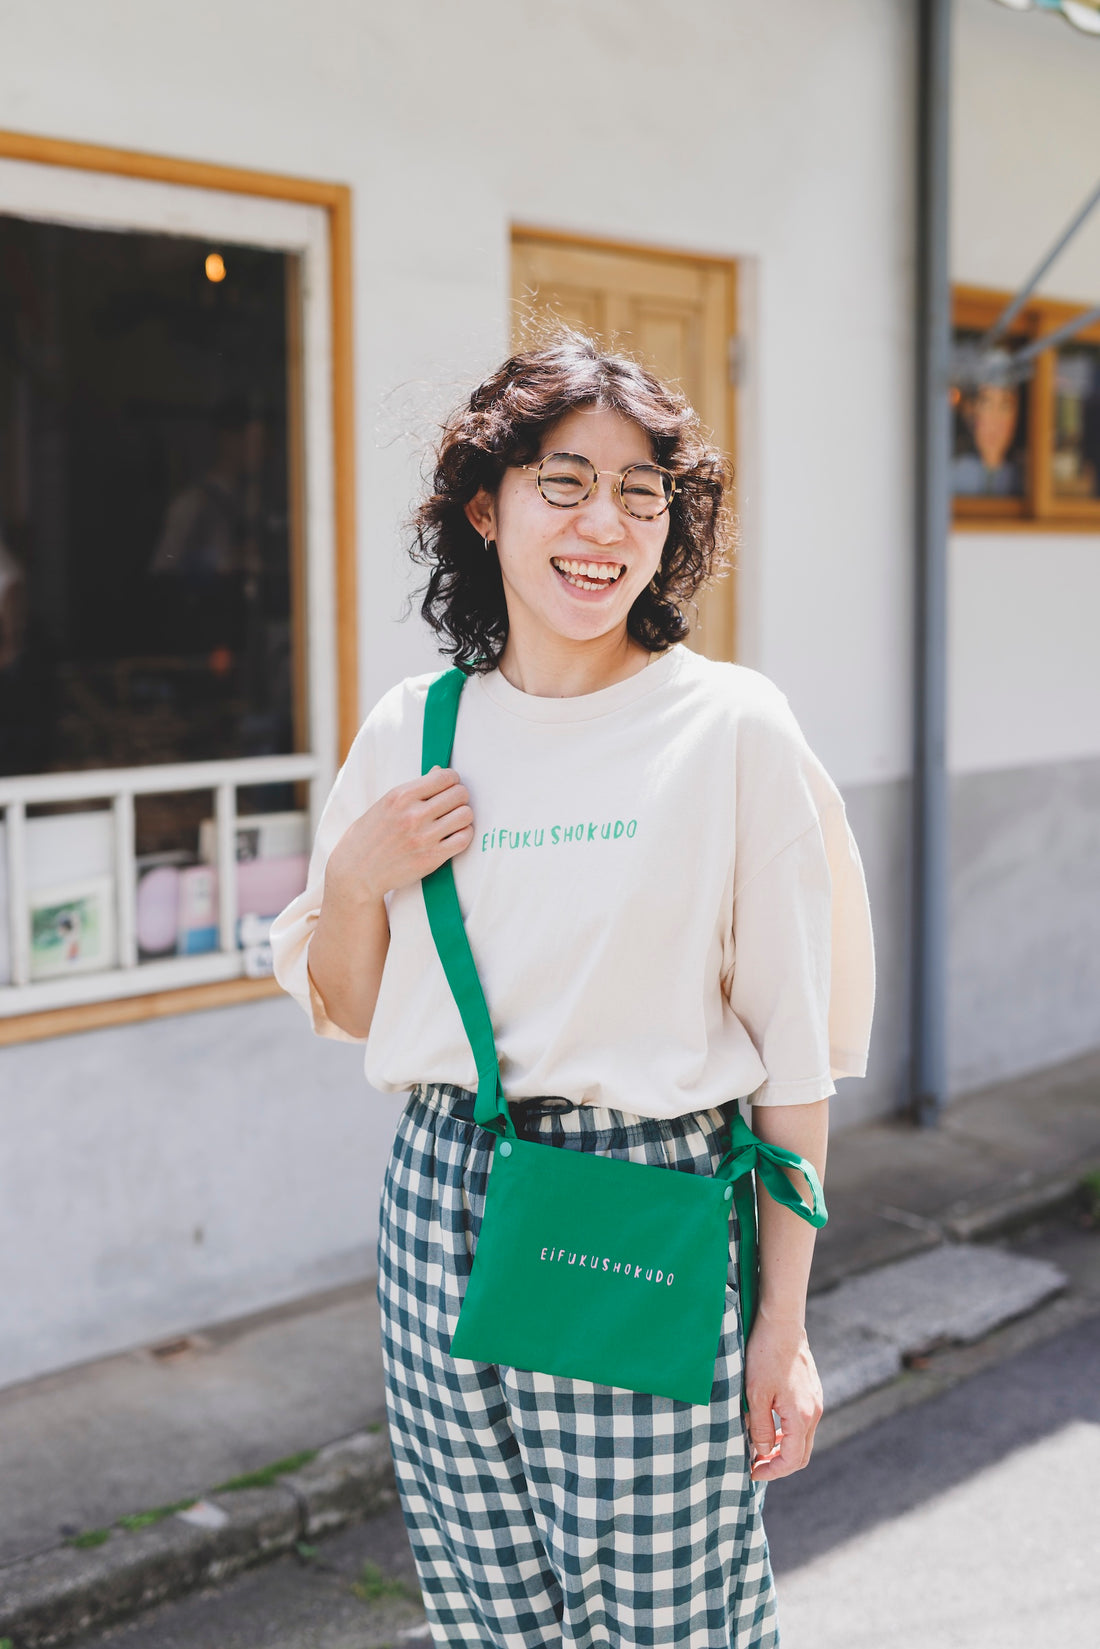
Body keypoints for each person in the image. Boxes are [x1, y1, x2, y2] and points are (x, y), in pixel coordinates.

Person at [270, 332, 875, 1649]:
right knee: (485, 1611)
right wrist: (359, 877)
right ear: (485, 507)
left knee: (668, 1617)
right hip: (439, 1194)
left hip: (643, 1198)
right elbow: (357, 1007)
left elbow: (794, 1059)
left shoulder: (731, 727)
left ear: (671, 526)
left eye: (641, 492)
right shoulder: (414, 728)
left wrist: (783, 1325)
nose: (604, 524)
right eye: (565, 482)